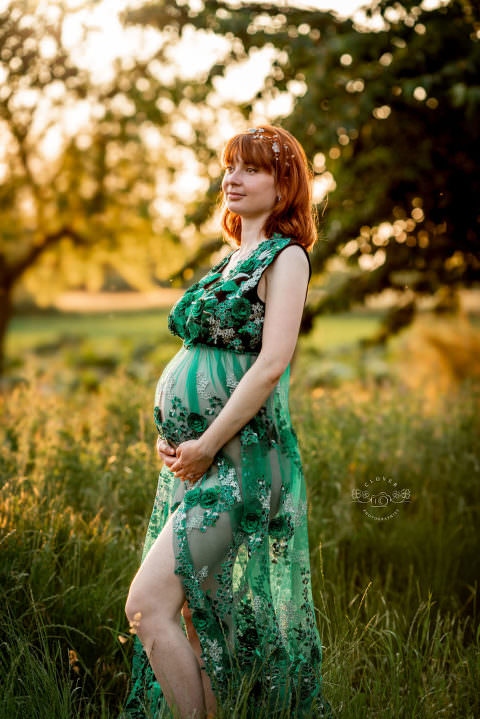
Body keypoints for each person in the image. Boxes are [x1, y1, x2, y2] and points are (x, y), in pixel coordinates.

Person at [121, 125, 333, 719]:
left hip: (242, 464)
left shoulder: (286, 257)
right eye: (230, 167)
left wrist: (207, 444)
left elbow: (271, 364)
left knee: (146, 604)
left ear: (284, 183)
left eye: (252, 169)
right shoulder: (232, 258)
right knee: (201, 620)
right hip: (205, 464)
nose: (233, 178)